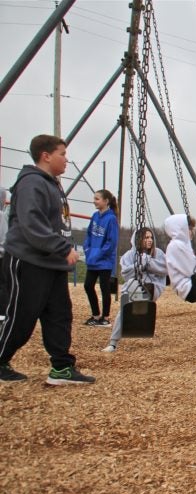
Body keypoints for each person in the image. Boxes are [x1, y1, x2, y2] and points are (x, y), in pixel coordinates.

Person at [0, 134, 95, 385]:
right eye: (62, 154)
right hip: (28, 260)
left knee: (59, 315)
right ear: (46, 156)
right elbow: (32, 224)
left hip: (51, 263)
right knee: (22, 316)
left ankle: (61, 368)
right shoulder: (32, 182)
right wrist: (62, 247)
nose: (66, 159)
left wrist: (60, 251)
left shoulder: (51, 183)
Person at [102, 227, 167, 352]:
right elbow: (126, 274)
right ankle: (113, 343)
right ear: (138, 239)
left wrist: (147, 262)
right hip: (133, 288)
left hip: (152, 287)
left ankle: (115, 342)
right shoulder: (129, 255)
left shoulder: (158, 253)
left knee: (132, 287)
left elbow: (165, 269)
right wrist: (141, 263)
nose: (150, 240)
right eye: (146, 237)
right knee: (124, 308)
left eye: (151, 237)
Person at [83, 189, 119, 327]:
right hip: (93, 259)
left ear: (106, 201)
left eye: (97, 198)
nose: (94, 201)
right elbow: (89, 235)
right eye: (94, 198)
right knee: (88, 285)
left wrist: (98, 254)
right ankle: (96, 315)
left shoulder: (111, 219)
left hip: (104, 261)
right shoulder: (95, 216)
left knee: (104, 288)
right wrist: (87, 250)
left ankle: (106, 317)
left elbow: (112, 242)